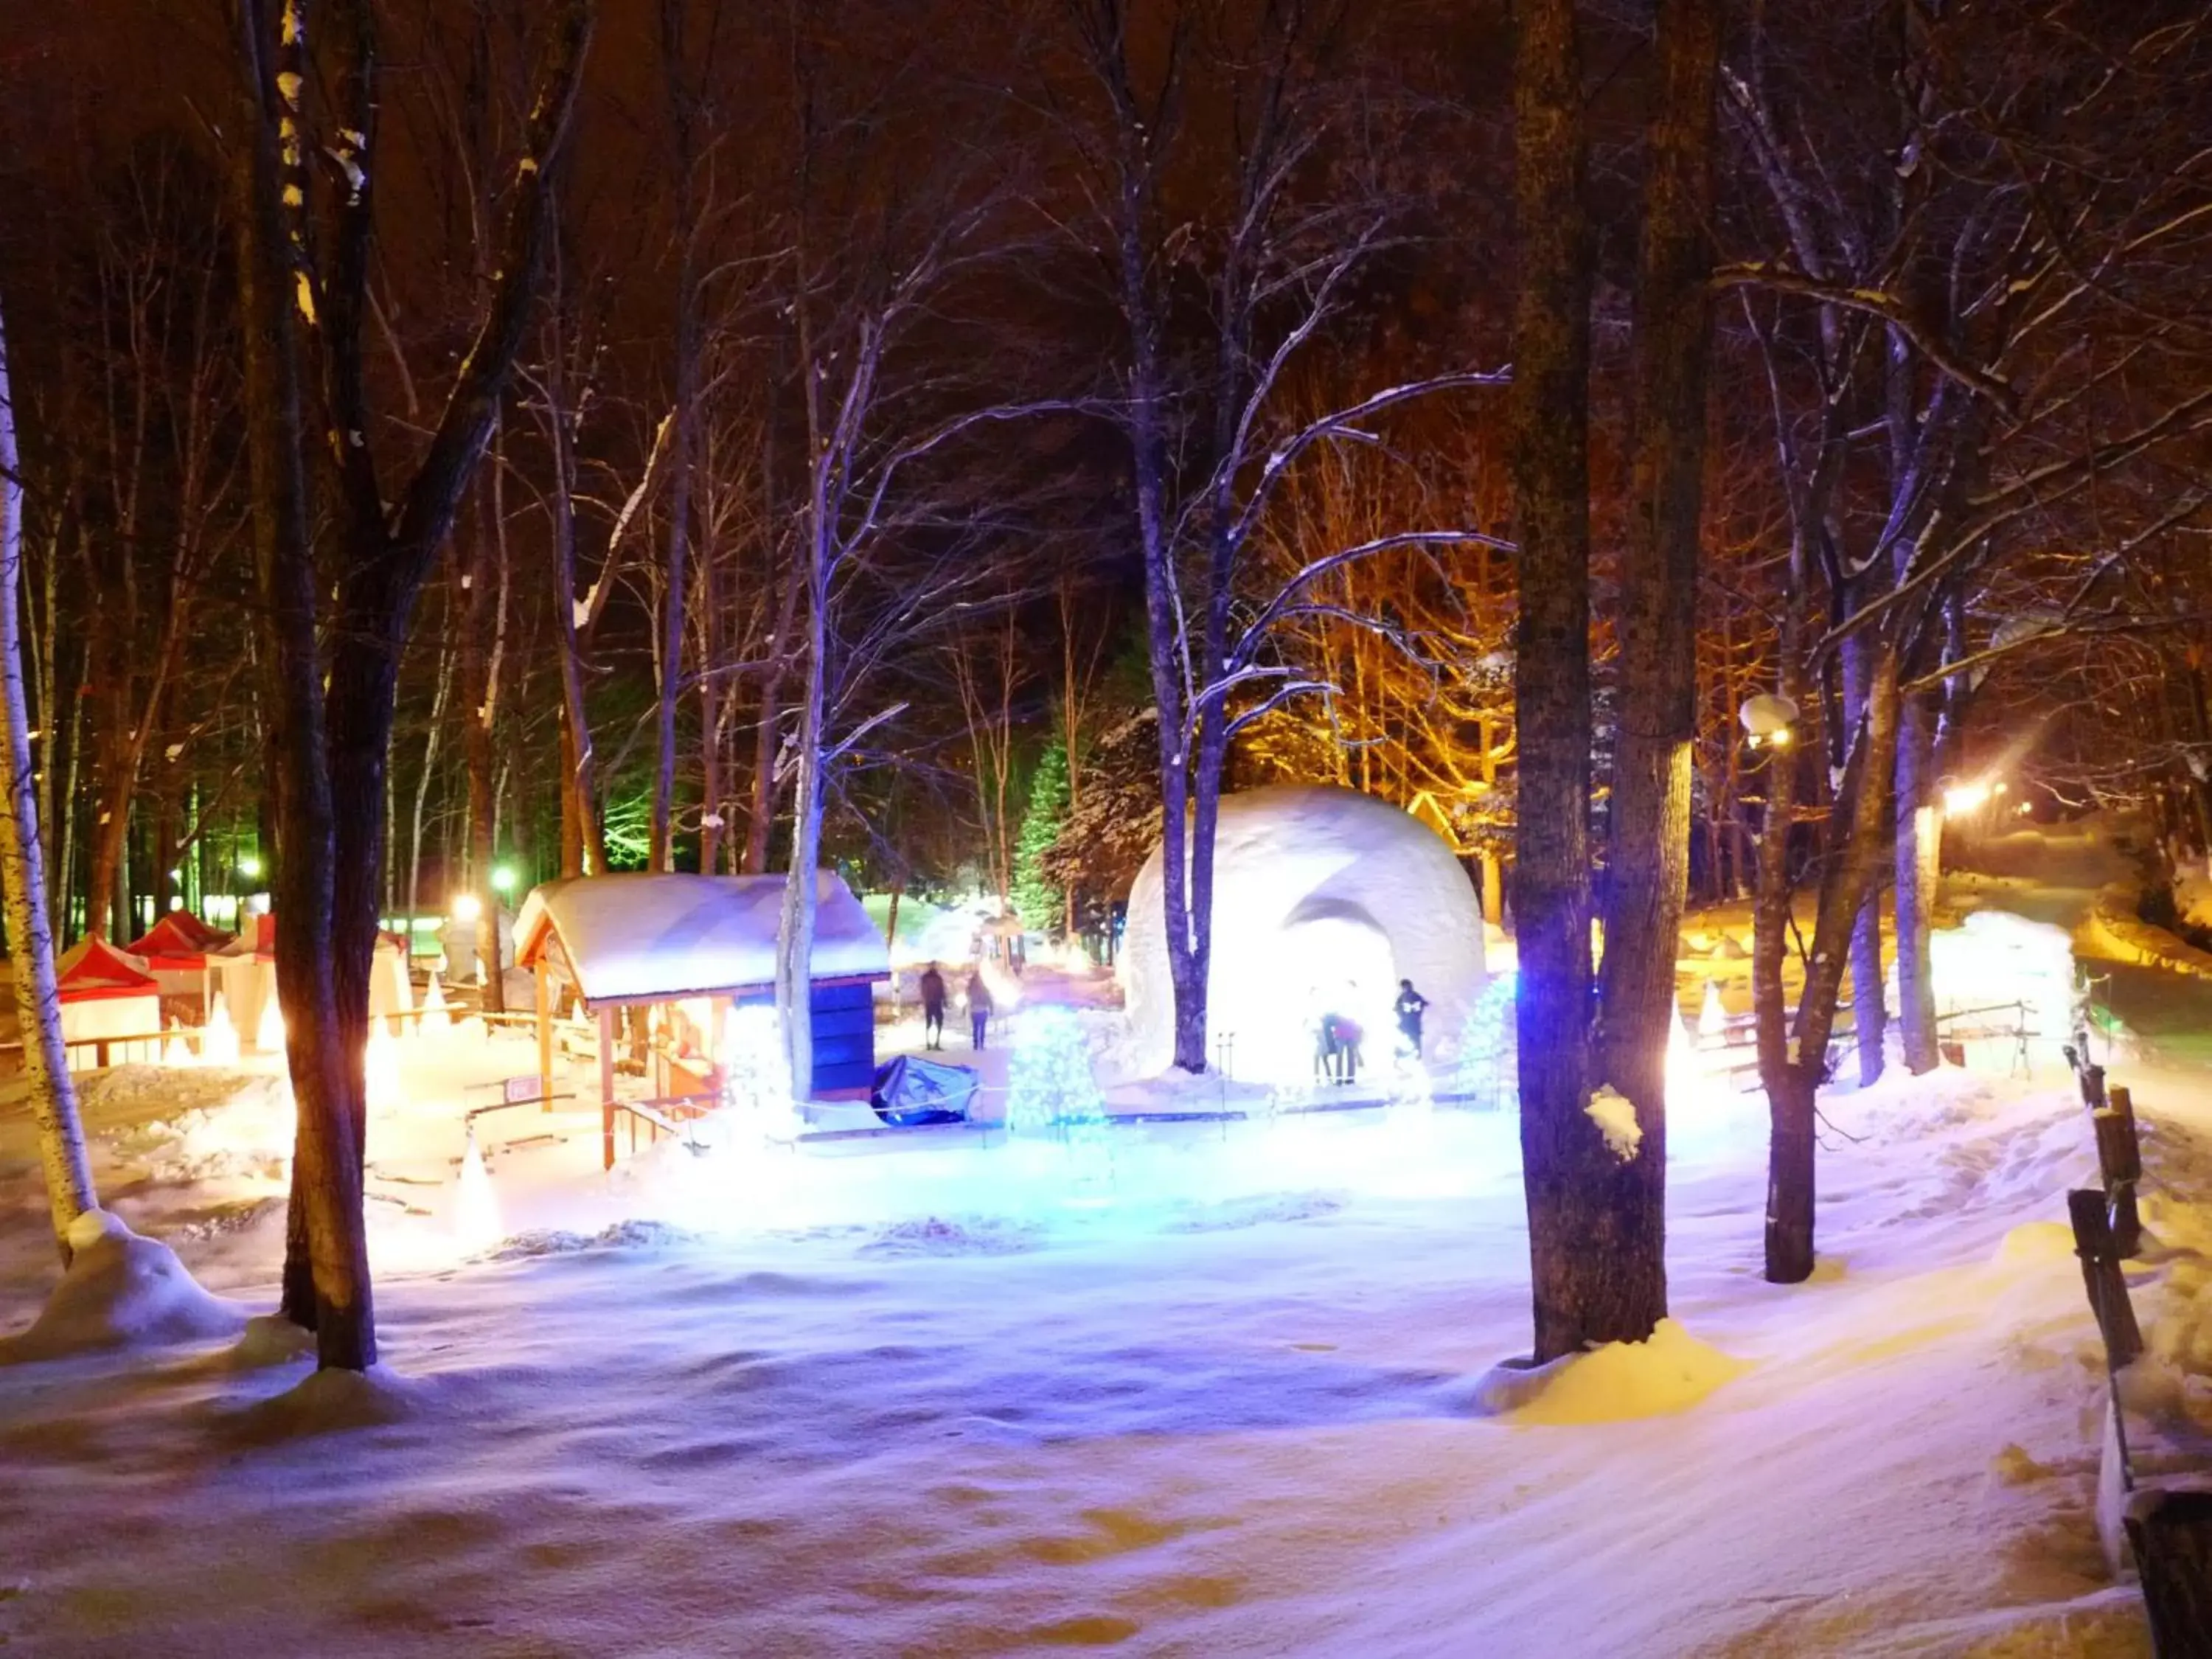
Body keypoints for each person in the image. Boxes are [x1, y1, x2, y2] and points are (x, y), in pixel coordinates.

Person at [1394, 978, 1430, 1060]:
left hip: (1414, 1022)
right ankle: (1410, 1052)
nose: (1408, 988)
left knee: (1416, 1038)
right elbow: (1397, 1007)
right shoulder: (1402, 997)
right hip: (1407, 1022)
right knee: (1411, 1038)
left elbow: (1423, 1003)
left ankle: (1418, 1052)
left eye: (1409, 986)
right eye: (1406, 986)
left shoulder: (1415, 995)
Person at [919, 962, 947, 1050]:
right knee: (938, 1022)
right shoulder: (937, 978)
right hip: (936, 1002)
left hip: (930, 1002)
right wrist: (945, 1000)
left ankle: (929, 1042)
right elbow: (942, 990)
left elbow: (923, 990)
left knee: (929, 1022)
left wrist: (924, 999)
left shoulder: (925, 978)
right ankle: (935, 1043)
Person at [966, 967, 995, 1051]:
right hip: (982, 1010)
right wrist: (991, 1008)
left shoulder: (971, 988)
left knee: (975, 1028)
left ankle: (975, 1044)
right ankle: (981, 1044)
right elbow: (988, 998)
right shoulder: (983, 988)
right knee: (982, 1028)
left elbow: (967, 993)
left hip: (974, 1010)